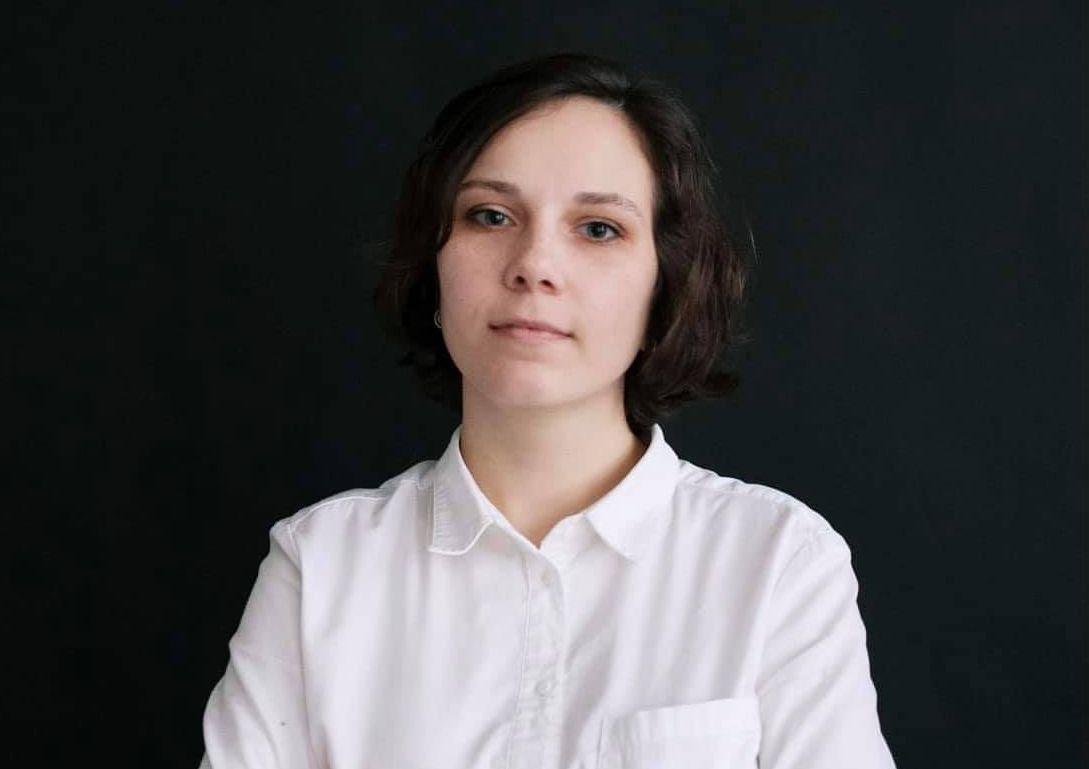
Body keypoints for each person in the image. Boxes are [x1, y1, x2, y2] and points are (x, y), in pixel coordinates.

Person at [197, 52, 897, 769]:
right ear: (433, 266)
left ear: (665, 285)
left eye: (598, 228)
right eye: (490, 215)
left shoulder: (776, 563)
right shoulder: (320, 566)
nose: (534, 264)